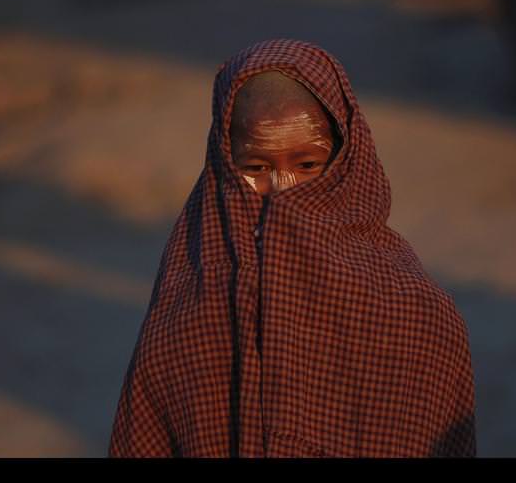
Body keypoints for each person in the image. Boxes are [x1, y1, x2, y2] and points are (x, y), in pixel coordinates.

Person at [108, 39, 476, 457]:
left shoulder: (420, 316)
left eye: (307, 166)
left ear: (347, 160)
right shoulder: (187, 311)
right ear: (224, 167)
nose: (282, 192)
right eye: (257, 168)